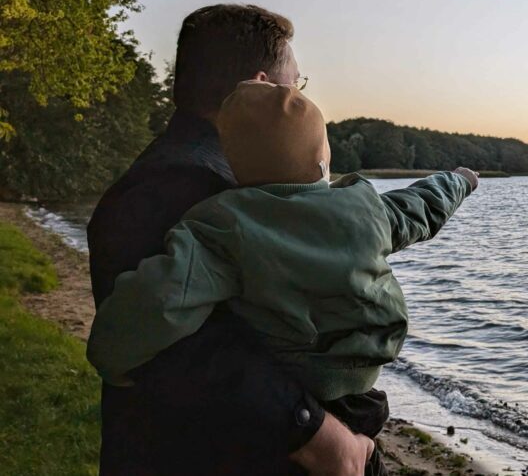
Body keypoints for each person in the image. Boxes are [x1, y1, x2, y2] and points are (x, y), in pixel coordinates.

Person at [87, 81, 478, 475]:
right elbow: (419, 206)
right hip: (359, 397)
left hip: (294, 395)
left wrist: (113, 356)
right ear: (322, 161)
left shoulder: (223, 225)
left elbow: (163, 296)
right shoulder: (363, 209)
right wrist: (458, 180)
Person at [88, 5, 373, 476]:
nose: (300, 97)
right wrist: (315, 434)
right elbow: (176, 351)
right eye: (296, 85)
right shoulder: (176, 186)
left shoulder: (209, 177)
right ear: (261, 87)